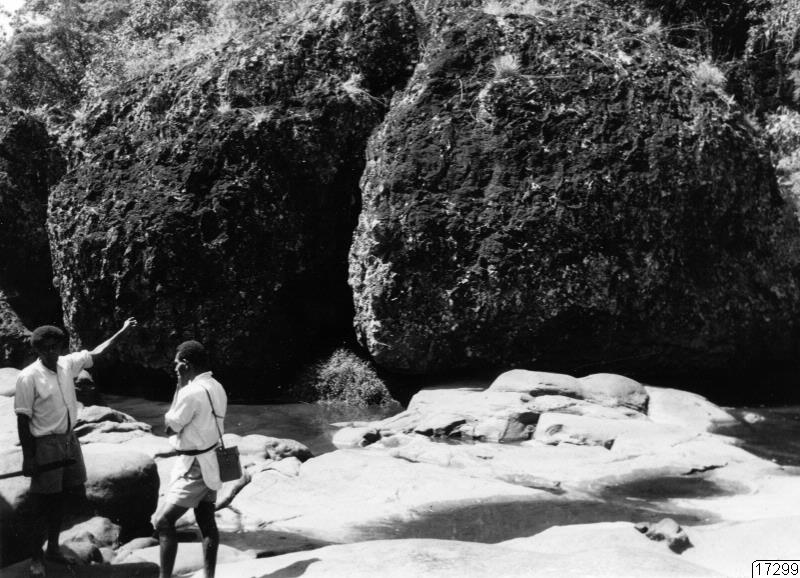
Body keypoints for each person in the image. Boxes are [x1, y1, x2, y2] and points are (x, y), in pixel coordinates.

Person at [15, 317, 138, 577]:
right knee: (44, 501)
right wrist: (29, 458)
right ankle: (36, 556)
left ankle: (53, 548)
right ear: (37, 350)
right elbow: (22, 419)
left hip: (69, 439)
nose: (51, 351)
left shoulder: (66, 364)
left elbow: (96, 353)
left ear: (61, 346)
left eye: (55, 346)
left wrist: (123, 331)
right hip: (45, 443)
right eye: (45, 348)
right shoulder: (28, 377)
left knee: (65, 495)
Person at [152, 340, 227, 578]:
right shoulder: (217, 386)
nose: (175, 368)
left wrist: (180, 385)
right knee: (206, 521)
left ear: (186, 364)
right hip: (212, 460)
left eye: (177, 364)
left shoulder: (190, 391)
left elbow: (169, 427)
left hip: (195, 466)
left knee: (163, 522)